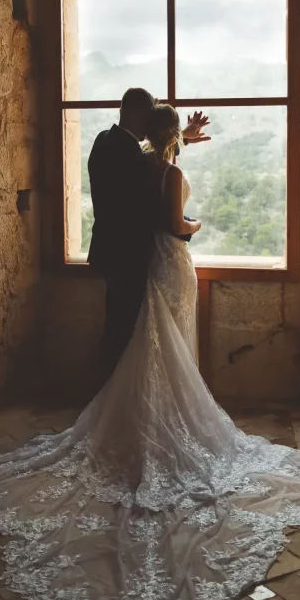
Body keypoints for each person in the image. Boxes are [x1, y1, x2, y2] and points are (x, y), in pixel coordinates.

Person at [0, 102, 300, 600]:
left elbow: (158, 169)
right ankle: (164, 423)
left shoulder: (146, 163)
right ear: (173, 134)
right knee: (171, 345)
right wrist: (199, 223)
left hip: (148, 261)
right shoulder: (168, 169)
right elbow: (178, 222)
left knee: (150, 346)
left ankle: (139, 419)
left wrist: (185, 142)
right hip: (173, 260)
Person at [87, 88, 209, 387]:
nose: (148, 127)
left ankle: (108, 399)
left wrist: (181, 138)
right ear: (137, 113)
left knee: (120, 328)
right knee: (124, 332)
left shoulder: (104, 140)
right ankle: (111, 401)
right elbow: (154, 197)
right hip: (130, 255)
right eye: (149, 116)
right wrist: (190, 224)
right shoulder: (130, 156)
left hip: (109, 250)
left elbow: (152, 159)